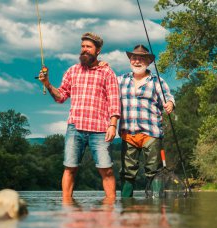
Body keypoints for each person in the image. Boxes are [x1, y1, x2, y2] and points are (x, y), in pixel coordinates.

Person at [38, 32, 120, 199]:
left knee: (107, 169)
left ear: (98, 50)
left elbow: (114, 100)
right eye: (82, 47)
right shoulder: (72, 71)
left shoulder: (107, 72)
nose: (84, 50)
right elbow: (61, 96)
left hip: (100, 129)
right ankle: (67, 206)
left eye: (88, 47)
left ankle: (110, 207)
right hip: (75, 127)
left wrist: (113, 125)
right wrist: (47, 84)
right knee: (70, 168)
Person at [117, 44, 175, 197]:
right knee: (127, 172)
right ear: (130, 60)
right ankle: (126, 204)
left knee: (154, 171)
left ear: (148, 62)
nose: (137, 61)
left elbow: (168, 98)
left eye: (141, 58)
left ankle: (157, 204)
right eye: (134, 58)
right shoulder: (120, 80)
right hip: (127, 133)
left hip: (152, 133)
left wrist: (170, 104)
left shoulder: (158, 81)